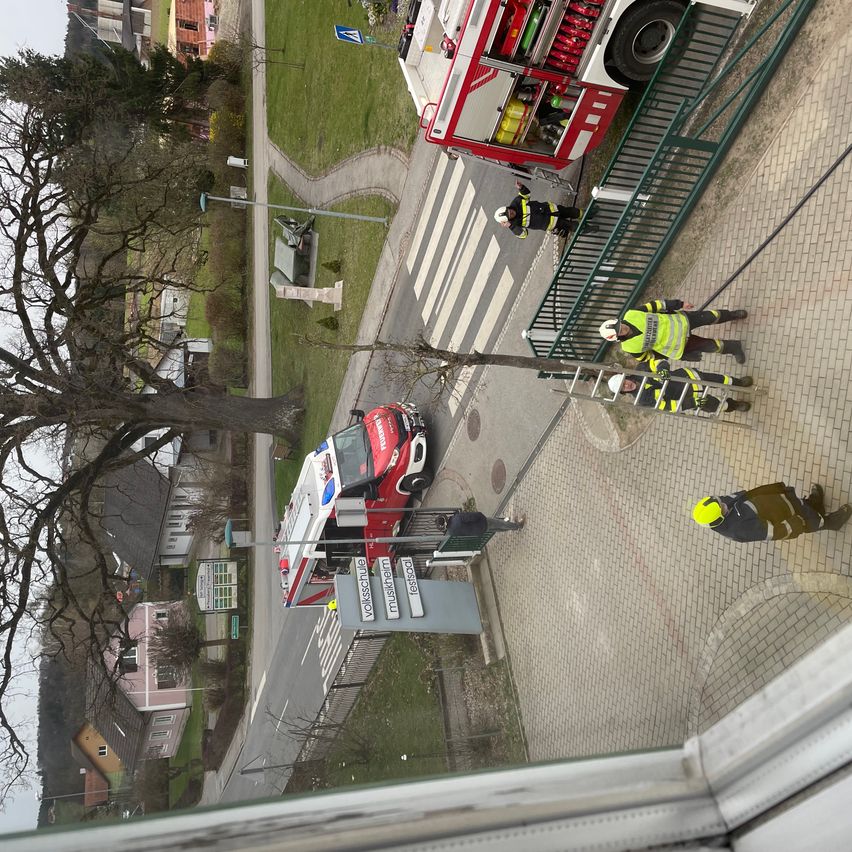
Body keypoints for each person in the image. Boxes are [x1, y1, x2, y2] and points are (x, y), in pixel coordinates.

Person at [598, 298, 748, 364]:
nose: (623, 328)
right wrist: (681, 356)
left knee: (711, 316)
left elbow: (656, 305)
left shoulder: (631, 314)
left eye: (619, 325)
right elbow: (648, 357)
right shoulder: (630, 348)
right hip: (680, 344)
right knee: (711, 346)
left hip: (682, 321)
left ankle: (733, 315)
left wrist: (680, 304)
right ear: (618, 338)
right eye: (620, 331)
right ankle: (734, 347)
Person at [692, 483, 852, 542]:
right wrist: (796, 523)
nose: (723, 503)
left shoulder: (722, 506)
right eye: (722, 507)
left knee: (803, 505)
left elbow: (745, 496)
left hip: (780, 502)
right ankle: (833, 522)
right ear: (718, 519)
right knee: (811, 520)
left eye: (719, 502)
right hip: (788, 515)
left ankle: (814, 504)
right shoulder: (739, 529)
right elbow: (772, 532)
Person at [607, 359, 752, 413]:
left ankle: (738, 383)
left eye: (624, 382)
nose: (627, 385)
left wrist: (662, 369)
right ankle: (734, 405)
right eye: (623, 388)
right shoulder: (642, 399)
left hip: (688, 378)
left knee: (718, 379)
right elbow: (669, 406)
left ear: (625, 377)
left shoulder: (641, 369)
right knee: (716, 406)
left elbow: (659, 362)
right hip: (690, 397)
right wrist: (693, 403)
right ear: (623, 392)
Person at [494, 181, 590, 239]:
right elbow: (523, 235)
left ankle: (588, 214)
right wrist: (511, 226)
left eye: (508, 210)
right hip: (551, 223)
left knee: (572, 212)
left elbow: (526, 195)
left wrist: (521, 188)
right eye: (509, 215)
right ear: (508, 220)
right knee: (572, 226)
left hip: (553, 209)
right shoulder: (515, 225)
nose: (511, 212)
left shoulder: (516, 202)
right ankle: (589, 229)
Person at [437, 511, 526, 535]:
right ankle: (517, 525)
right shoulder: (457, 518)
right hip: (482, 522)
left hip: (479, 531)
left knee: (497, 529)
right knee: (500, 523)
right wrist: (480, 515)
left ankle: (512, 528)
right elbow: (472, 516)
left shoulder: (451, 531)